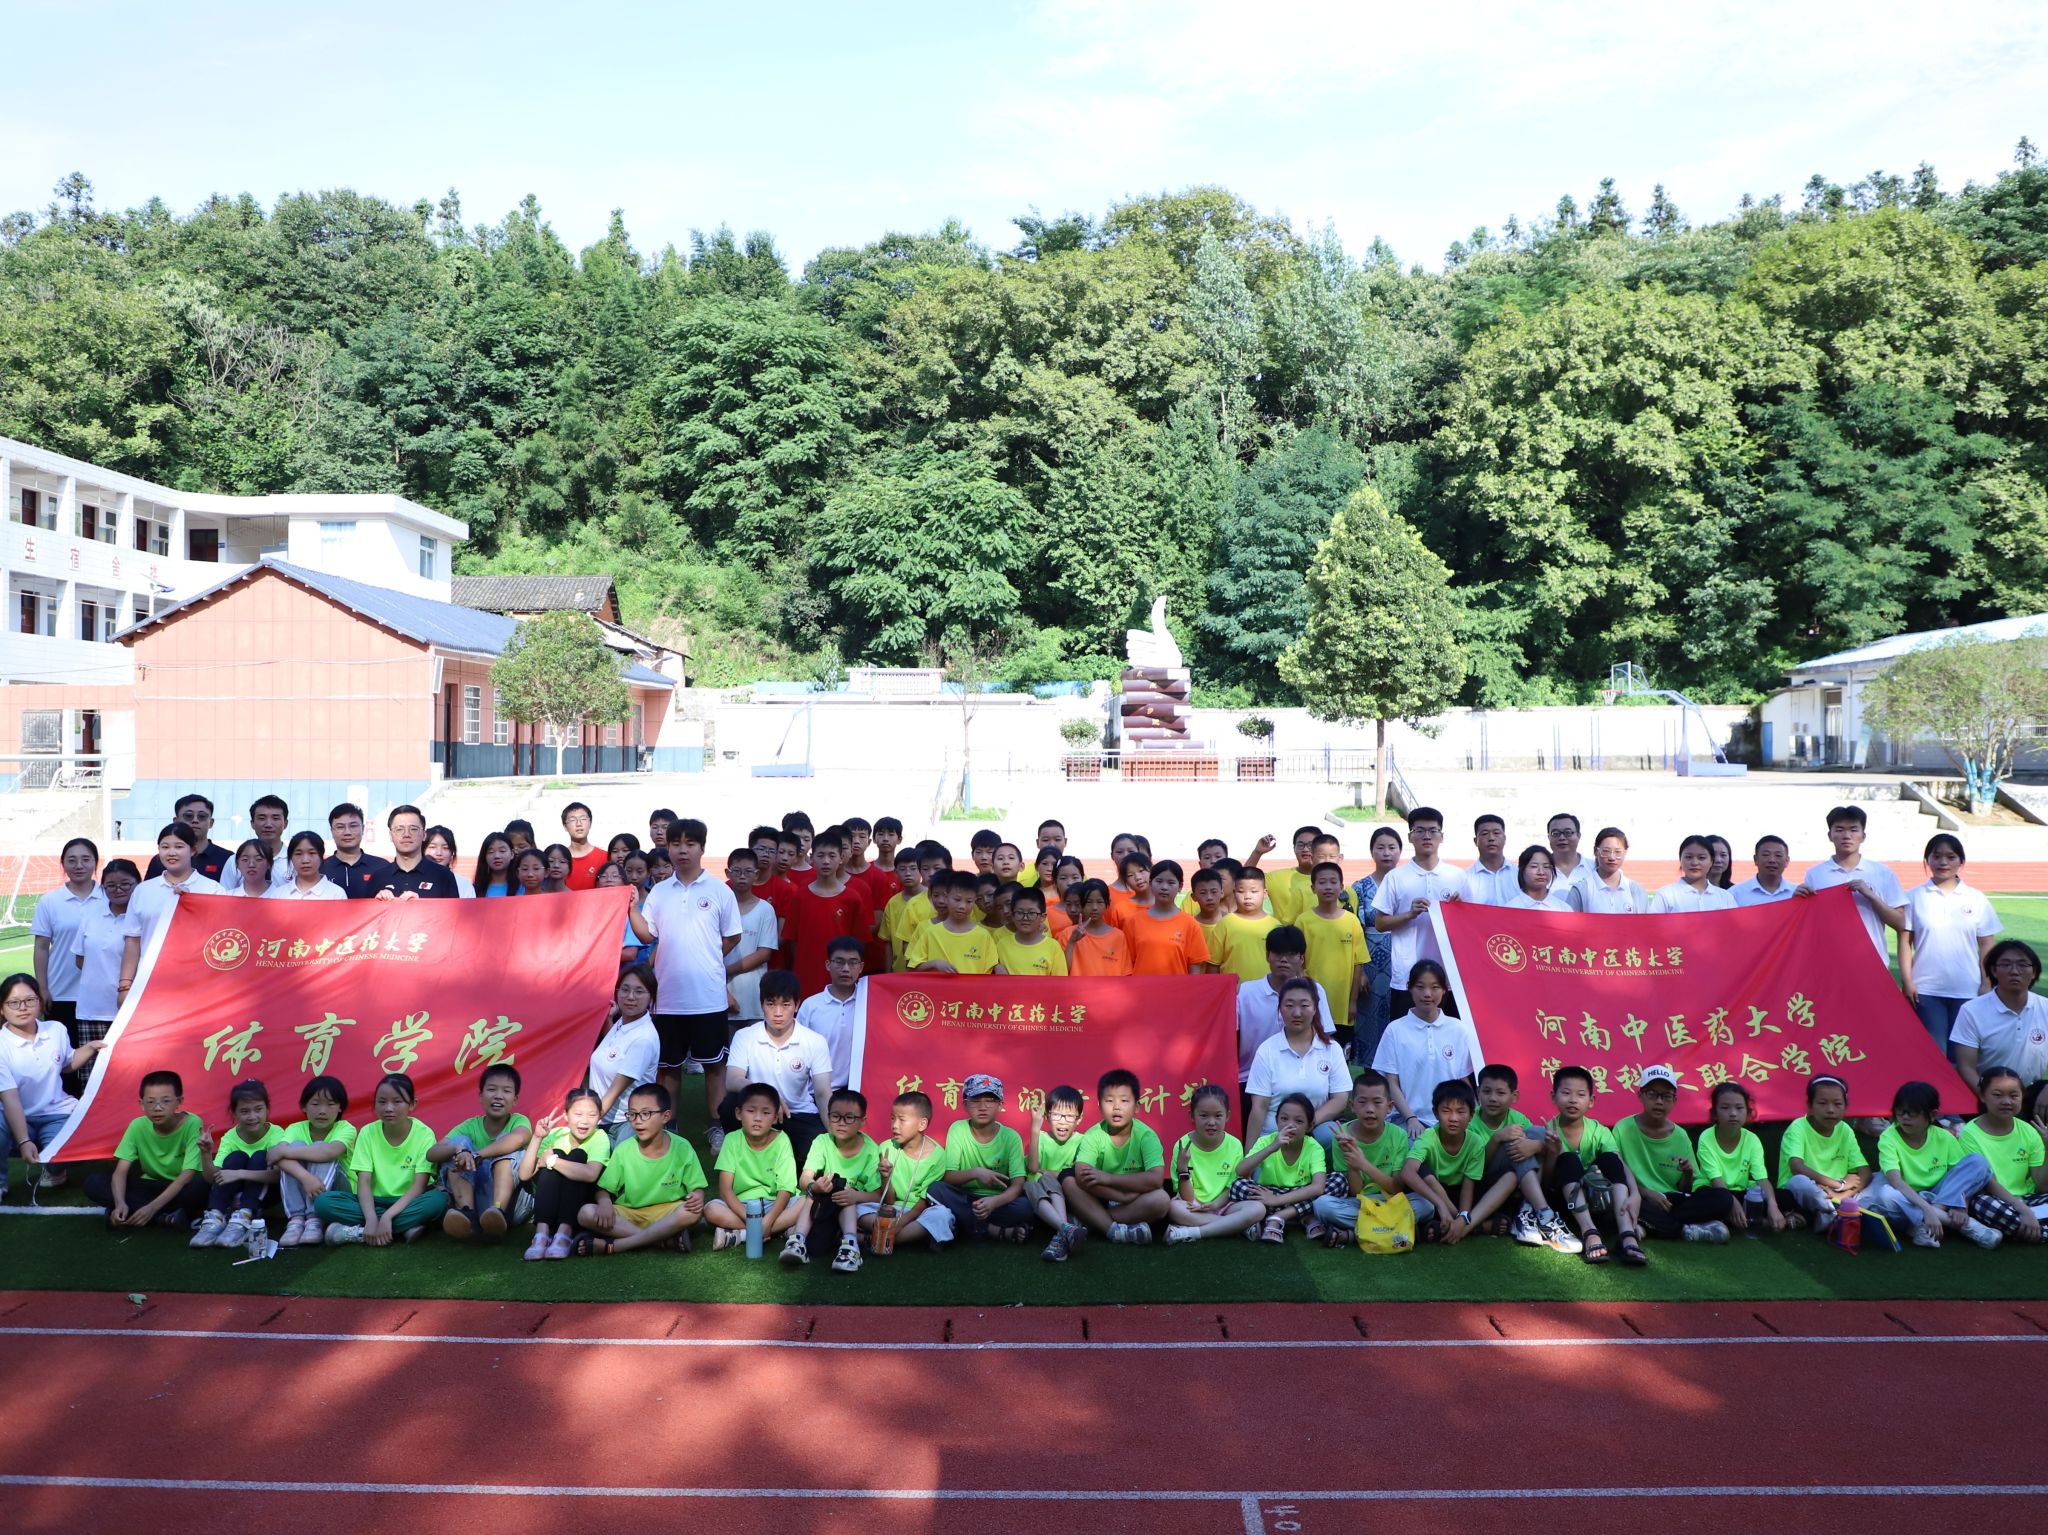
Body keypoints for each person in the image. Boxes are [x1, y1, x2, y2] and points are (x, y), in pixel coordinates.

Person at [629, 818, 743, 1120]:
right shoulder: (659, 892)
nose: (682, 850)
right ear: (667, 848)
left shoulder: (719, 891)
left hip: (708, 998)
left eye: (690, 844)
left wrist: (708, 957)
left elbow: (733, 935)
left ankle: (716, 1126)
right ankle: (669, 1125)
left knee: (715, 1066)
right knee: (668, 1068)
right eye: (676, 844)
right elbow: (647, 935)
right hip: (668, 998)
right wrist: (631, 908)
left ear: (702, 848)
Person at [1858, 1080, 2002, 1249]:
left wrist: (1960, 1206)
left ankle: (1923, 1223)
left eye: (1912, 1113)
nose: (1905, 1117)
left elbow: (1962, 1178)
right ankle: (1965, 1225)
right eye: (1900, 1112)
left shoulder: (1944, 1137)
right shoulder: (1888, 1137)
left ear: (1932, 1115)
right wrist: (1927, 1210)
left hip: (1939, 1195)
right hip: (1906, 1196)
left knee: (1978, 1162)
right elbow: (1896, 1181)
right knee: (1886, 1195)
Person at [0, 972, 105, 1194]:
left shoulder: (56, 1029)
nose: (23, 1007)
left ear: (40, 1001)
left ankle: (55, 1169)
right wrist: (23, 1141)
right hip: (14, 1117)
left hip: (57, 1113)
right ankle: (1, 1182)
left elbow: (66, 1064)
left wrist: (91, 1047)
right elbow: (10, 1098)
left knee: (60, 1158)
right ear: (2, 1008)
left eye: (30, 1000)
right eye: (14, 1002)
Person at [316, 1072, 449, 1246]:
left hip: (409, 1201)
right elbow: (364, 1181)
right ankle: (404, 1227)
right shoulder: (367, 1132)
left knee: (438, 1201)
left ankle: (358, 1233)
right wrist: (371, 1218)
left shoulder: (424, 1134)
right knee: (323, 1203)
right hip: (372, 1201)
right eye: (382, 1102)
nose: (388, 1108)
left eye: (397, 1101)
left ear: (412, 1104)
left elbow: (419, 1186)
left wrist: (387, 1216)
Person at [1899, 834, 2002, 1057]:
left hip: (1967, 988)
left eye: (1951, 856)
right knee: (1933, 1055)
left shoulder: (1975, 898)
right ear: (1927, 860)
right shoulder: (1914, 897)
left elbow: (1987, 944)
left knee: (1962, 1056)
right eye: (1936, 856)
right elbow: (1905, 942)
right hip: (1926, 989)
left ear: (1961, 861)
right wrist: (1907, 981)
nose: (1943, 862)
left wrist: (1986, 982)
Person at [577, 1083, 709, 1255]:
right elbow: (604, 1189)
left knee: (692, 1212)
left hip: (667, 1213)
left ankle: (617, 1245)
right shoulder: (624, 1149)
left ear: (665, 1116)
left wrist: (697, 1197)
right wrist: (604, 1203)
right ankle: (662, 1240)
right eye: (632, 1114)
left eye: (645, 1114)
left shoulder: (682, 1147)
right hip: (630, 1214)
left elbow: (697, 1188)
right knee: (586, 1212)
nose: (638, 1120)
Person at [722, 970, 833, 1165]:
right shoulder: (745, 1036)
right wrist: (769, 1095)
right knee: (729, 1106)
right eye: (771, 1004)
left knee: (814, 1160)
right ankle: (743, 1158)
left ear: (797, 1005)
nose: (778, 1012)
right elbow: (732, 1080)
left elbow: (823, 1092)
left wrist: (832, 1136)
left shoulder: (815, 1041)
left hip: (798, 1113)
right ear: (762, 1005)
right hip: (759, 1111)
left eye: (786, 1004)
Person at [1613, 1066, 1733, 1243]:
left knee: (1723, 1198)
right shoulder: (1622, 1129)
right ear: (1640, 1096)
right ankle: (1685, 1230)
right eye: (1652, 1094)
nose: (1659, 1101)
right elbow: (1615, 1174)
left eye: (1666, 1096)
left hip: (1671, 1202)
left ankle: (1649, 1224)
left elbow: (1685, 1189)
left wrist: (1688, 1173)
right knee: (1618, 1200)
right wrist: (1646, 1193)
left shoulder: (1680, 1136)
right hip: (1639, 1196)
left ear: (1674, 1100)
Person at [1470, 1062, 1579, 1252]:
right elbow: (1477, 1169)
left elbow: (1542, 1155)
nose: (1493, 1098)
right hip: (1485, 1184)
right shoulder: (1471, 1123)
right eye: (1487, 1092)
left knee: (1537, 1133)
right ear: (1478, 1092)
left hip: (1517, 1182)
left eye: (1500, 1093)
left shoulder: (1518, 1118)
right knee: (1514, 1141)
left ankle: (1527, 1212)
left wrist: (1538, 1146)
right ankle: (1544, 1214)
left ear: (1514, 1096)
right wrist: (1496, 1138)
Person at [1543, 1065, 1645, 1265]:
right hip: (1562, 1201)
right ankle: (1590, 1234)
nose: (1573, 1100)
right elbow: (1545, 1183)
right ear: (1553, 1097)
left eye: (1580, 1095)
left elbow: (1619, 1165)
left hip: (1597, 1199)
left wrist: (1636, 1194)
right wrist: (1553, 1153)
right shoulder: (1548, 1131)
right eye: (1566, 1093)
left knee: (1610, 1159)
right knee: (1568, 1160)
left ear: (1591, 1101)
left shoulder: (1599, 1131)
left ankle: (1627, 1235)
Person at [82, 1070, 208, 1229]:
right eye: (150, 1102)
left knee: (201, 1187)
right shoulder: (137, 1125)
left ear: (179, 1102)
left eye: (166, 1101)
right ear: (142, 1104)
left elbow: (186, 1175)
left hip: (180, 1187)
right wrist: (120, 1203)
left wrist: (152, 1207)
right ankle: (164, 1218)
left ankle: (141, 1213)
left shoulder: (193, 1123)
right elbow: (120, 1172)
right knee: (94, 1182)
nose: (157, 1108)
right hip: (150, 1185)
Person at [118, 823, 225, 1002]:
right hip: (150, 983)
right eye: (165, 847)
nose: (171, 852)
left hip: (198, 985)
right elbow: (133, 941)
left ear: (193, 850)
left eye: (179, 846)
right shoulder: (143, 890)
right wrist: (125, 986)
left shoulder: (213, 890)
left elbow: (220, 939)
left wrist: (195, 905)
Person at [1065, 1068, 1171, 1244]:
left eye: (1124, 1100)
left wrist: (1109, 1178)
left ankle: (1092, 1222)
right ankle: (1114, 1230)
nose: (1116, 1107)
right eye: (1109, 1101)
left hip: (1134, 1199)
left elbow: (1156, 1179)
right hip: (1101, 1196)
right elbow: (1082, 1175)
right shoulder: (1093, 1135)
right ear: (1099, 1106)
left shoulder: (1146, 1136)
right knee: (1069, 1182)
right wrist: (1120, 1196)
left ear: (1136, 1106)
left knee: (1162, 1200)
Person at [1371, 807, 1460, 1017]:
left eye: (1433, 831)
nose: (1426, 836)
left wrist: (1459, 910)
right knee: (1407, 1030)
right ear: (1410, 837)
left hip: (1448, 973)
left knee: (1449, 1031)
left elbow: (1472, 924)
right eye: (1420, 831)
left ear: (1442, 836)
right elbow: (1380, 923)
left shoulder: (1457, 876)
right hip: (1406, 974)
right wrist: (1409, 914)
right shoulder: (1396, 877)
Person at [1243, 977, 1351, 1147]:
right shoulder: (1267, 1050)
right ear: (1280, 1009)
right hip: (1274, 1136)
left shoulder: (1331, 1049)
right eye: (1289, 1005)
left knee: (1331, 1135)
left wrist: (1306, 1124)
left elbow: (1340, 1099)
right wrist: (1250, 1154)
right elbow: (1259, 1107)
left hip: (1313, 1131)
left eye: (1304, 1005)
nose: (1297, 1013)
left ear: (1315, 1008)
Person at [430, 1063, 532, 1241]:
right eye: (492, 1089)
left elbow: (518, 1138)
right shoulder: (470, 1125)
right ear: (481, 1096)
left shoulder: (519, 1121)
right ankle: (468, 1215)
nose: (498, 1096)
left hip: (513, 1206)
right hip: (478, 1201)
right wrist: (459, 1150)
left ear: (515, 1099)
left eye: (506, 1091)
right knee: (458, 1145)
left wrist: (477, 1155)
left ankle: (498, 1213)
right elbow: (432, 1153)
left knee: (507, 1146)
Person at [1314, 1071, 1413, 1247]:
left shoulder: (1399, 1135)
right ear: (1352, 1106)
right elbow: (1355, 1192)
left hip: (1390, 1200)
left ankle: (1354, 1234)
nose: (1369, 1109)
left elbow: (1397, 1188)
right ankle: (1394, 1228)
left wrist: (1363, 1164)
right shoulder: (1341, 1135)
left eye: (1377, 1102)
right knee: (1323, 1206)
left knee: (1426, 1205)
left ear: (1389, 1107)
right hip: (1359, 1203)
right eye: (1362, 1102)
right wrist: (1353, 1163)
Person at [787, 1087, 880, 1273]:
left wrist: (855, 1196)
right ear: (828, 1117)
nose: (841, 1123)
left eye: (849, 1118)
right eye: (835, 1116)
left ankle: (851, 1246)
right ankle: (797, 1242)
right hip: (825, 1202)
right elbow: (804, 1179)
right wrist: (814, 1186)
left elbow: (877, 1195)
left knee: (843, 1189)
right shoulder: (822, 1141)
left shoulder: (871, 1150)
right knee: (817, 1246)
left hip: (852, 1205)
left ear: (862, 1122)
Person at [1372, 960, 1471, 1132]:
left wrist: (1472, 1116)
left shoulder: (1459, 1029)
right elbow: (1391, 1082)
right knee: (1415, 1146)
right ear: (1409, 988)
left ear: (1444, 990)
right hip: (1406, 1119)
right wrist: (1411, 1119)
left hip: (1451, 1120)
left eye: (1435, 987)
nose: (1427, 994)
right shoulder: (1395, 1030)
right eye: (1420, 987)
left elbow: (1463, 1079)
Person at [932, 1074, 1034, 1242]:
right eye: (976, 1100)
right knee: (935, 1190)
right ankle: (994, 1231)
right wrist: (976, 1173)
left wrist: (995, 1202)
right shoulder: (958, 1129)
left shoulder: (1011, 1137)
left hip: (997, 1202)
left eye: (990, 1100)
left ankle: (965, 1225)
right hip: (965, 1198)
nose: (983, 1107)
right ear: (965, 1104)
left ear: (1000, 1105)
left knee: (1025, 1207)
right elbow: (948, 1176)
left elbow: (1018, 1184)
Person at [1796, 804, 1905, 960]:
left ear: (1863, 836)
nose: (1847, 836)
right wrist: (1797, 902)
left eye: (1853, 830)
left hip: (1872, 961)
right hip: (1828, 960)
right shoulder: (1815, 874)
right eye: (1839, 830)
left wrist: (1871, 896)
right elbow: (1808, 924)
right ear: (1830, 835)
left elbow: (1901, 923)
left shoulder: (1883, 873)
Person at [780, 824, 875, 997]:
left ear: (841, 858)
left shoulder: (852, 898)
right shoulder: (800, 896)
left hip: (842, 978)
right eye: (820, 855)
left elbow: (860, 942)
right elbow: (793, 941)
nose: (826, 861)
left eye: (832, 856)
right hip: (806, 975)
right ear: (812, 858)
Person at [191, 1077, 284, 1248]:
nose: (252, 1116)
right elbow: (212, 1178)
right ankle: (215, 1218)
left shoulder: (276, 1133)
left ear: (267, 1109)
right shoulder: (230, 1137)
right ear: (234, 1114)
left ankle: (245, 1218)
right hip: (235, 1193)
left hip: (267, 1194)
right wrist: (205, 1154)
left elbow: (279, 1176)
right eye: (245, 1111)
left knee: (260, 1156)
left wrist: (239, 1174)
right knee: (236, 1157)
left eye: (258, 1109)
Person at [707, 1081, 800, 1251]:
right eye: (751, 1111)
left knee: (808, 1203)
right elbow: (725, 1189)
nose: (758, 1118)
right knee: (711, 1210)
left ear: (775, 1117)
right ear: (738, 1113)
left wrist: (769, 1219)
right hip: (742, 1205)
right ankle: (780, 1229)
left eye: (766, 1112)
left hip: (775, 1204)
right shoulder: (732, 1140)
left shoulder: (782, 1140)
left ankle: (741, 1235)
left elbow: (786, 1189)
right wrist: (752, 1220)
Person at [520, 1088, 612, 1261]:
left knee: (577, 1155)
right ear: (566, 1115)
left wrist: (552, 1161)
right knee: (559, 1152)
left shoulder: (600, 1137)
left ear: (599, 1116)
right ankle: (541, 1234)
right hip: (551, 1205)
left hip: (580, 1205)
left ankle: (565, 1233)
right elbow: (524, 1175)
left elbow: (591, 1174)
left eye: (592, 1115)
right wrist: (537, 1137)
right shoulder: (555, 1134)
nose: (584, 1121)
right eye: (578, 1114)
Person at [1164, 1083, 1262, 1244]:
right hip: (1194, 1206)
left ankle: (1193, 1232)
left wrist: (1215, 1204)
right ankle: (1236, 1226)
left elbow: (1232, 1187)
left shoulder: (1234, 1145)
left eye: (1218, 1116)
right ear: (1192, 1116)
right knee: (1174, 1208)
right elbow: (1187, 1197)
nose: (1211, 1122)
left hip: (1226, 1205)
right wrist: (1183, 1169)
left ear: (1227, 1116)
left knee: (1258, 1208)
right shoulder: (1182, 1145)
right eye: (1204, 1116)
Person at [1959, 1066, 2047, 1244]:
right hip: (1994, 1199)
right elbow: (1987, 1182)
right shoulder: (1970, 1133)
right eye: (1997, 1095)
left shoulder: (2029, 1131)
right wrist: (2023, 1210)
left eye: (2014, 1096)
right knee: (1983, 1204)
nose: (2006, 1101)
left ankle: (2030, 1229)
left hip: (2028, 1198)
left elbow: (2042, 1186)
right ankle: (2035, 1229)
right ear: (1983, 1096)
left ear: (2022, 1097)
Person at [1776, 1074, 1872, 1235]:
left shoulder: (1845, 1130)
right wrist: (1839, 1184)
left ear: (1845, 1106)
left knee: (1879, 1179)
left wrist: (1842, 1195)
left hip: (1837, 1193)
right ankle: (1840, 1213)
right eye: (1822, 1103)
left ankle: (1832, 1211)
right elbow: (1796, 1167)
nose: (1830, 1110)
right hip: (1809, 1189)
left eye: (1837, 1104)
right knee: (1799, 1182)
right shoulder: (1798, 1127)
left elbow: (1865, 1172)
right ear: (1810, 1106)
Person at [1231, 1093, 1333, 1243]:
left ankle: (1279, 1216)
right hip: (1270, 1191)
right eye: (1284, 1119)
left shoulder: (1313, 1147)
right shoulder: (1266, 1141)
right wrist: (1272, 1148)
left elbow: (1317, 1188)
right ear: (1276, 1120)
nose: (1290, 1125)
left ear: (1310, 1126)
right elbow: (1240, 1171)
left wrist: (1277, 1200)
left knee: (1338, 1181)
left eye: (1298, 1121)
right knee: (1237, 1185)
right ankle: (1303, 1215)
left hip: (1301, 1192)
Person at [1951, 939, 2048, 1094]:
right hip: (1985, 1095)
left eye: (2022, 964)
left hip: (2033, 1095)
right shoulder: (1971, 1011)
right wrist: (1992, 1098)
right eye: (2006, 964)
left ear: (2034, 972)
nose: (2014, 971)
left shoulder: (2045, 1007)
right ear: (1994, 971)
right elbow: (1966, 1067)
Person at [861, 1091, 951, 1253]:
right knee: (857, 1209)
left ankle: (872, 1238)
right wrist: (885, 1177)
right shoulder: (886, 1148)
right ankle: (906, 1238)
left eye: (902, 1120)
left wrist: (900, 1222)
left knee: (942, 1215)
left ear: (922, 1124)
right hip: (889, 1210)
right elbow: (888, 1200)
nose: (895, 1125)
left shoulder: (938, 1155)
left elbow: (924, 1202)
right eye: (892, 1118)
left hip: (918, 1212)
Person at [65, 857, 138, 1057]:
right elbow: (80, 960)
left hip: (130, 1009)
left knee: (127, 1068)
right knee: (91, 1071)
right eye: (110, 886)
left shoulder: (144, 918)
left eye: (125, 884)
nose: (118, 890)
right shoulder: (91, 915)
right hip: (91, 1009)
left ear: (138, 884)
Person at [270, 1075, 355, 1248]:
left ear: (340, 1107)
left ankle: (315, 1219)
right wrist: (306, 1177)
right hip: (308, 1186)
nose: (322, 1111)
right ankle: (296, 1220)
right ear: (304, 1106)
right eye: (315, 1104)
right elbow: (273, 1157)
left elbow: (330, 1152)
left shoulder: (346, 1128)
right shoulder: (295, 1128)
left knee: (320, 1147)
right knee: (297, 1147)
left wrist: (284, 1151)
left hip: (341, 1191)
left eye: (330, 1104)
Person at [1401, 1080, 1489, 1245]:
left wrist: (1462, 1216)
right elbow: (1407, 1172)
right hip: (1433, 1195)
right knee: (1424, 1173)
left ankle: (1448, 1225)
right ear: (1435, 1113)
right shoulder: (1428, 1137)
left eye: (1460, 1112)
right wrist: (1441, 1204)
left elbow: (1468, 1186)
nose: (1453, 1118)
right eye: (1446, 1111)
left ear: (1471, 1115)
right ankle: (1472, 1226)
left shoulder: (1476, 1142)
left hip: (1458, 1195)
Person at [32, 837, 103, 1036]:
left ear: (95, 862)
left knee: (98, 1053)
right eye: (72, 860)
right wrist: (42, 988)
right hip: (61, 992)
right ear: (63, 864)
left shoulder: (109, 897)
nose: (79, 865)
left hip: (102, 993)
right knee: (62, 1052)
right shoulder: (50, 901)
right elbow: (41, 948)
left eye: (86, 859)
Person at [1694, 1081, 1783, 1235]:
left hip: (1740, 1192)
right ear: (1714, 1113)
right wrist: (1732, 1204)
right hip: (1713, 1191)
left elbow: (1761, 1179)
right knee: (1721, 1200)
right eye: (1725, 1108)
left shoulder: (1752, 1139)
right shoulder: (1706, 1138)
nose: (1733, 1113)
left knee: (1784, 1196)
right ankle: (1753, 1219)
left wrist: (1773, 1206)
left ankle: (1734, 1219)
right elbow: (1716, 1181)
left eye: (1739, 1108)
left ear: (1748, 1112)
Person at [1295, 861, 1366, 1048]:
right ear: (1313, 888)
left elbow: (1358, 963)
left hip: (1342, 1006)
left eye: (1333, 882)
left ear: (1342, 887)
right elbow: (1297, 963)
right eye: (1322, 882)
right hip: (1313, 1003)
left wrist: (1353, 1002)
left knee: (1340, 1053)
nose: (1328, 887)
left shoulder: (1352, 921)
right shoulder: (1303, 921)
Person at [588, 964, 662, 1137]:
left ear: (651, 997)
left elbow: (615, 1091)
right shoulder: (623, 1023)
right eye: (625, 990)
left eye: (639, 991)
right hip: (604, 1117)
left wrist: (587, 1123)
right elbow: (614, 1052)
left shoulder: (643, 1039)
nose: (630, 997)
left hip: (624, 1124)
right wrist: (609, 1019)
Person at [724, 846, 780, 1049]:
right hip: (721, 993)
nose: (742, 876)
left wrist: (724, 970)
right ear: (727, 873)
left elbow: (764, 952)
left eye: (748, 872)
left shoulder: (765, 909)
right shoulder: (719, 907)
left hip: (754, 994)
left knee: (755, 1052)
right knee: (725, 1055)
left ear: (756, 874)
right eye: (737, 871)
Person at [1029, 1085, 1089, 1260]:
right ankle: (1066, 1229)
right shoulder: (1041, 1138)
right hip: (1042, 1197)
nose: (1063, 1121)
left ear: (1079, 1119)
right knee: (1029, 1184)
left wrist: (1048, 1172)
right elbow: (1033, 1168)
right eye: (1056, 1115)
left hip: (1067, 1196)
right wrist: (1034, 1129)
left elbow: (1075, 1174)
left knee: (1047, 1177)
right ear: (1047, 1116)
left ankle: (1062, 1230)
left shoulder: (1083, 1141)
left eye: (1069, 1116)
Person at [798, 937, 864, 1089]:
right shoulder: (811, 1006)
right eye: (839, 962)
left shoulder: (868, 1003)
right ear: (828, 965)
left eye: (852, 963)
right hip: (815, 1091)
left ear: (861, 967)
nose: (846, 969)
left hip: (857, 1091)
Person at [1125, 860, 1212, 976]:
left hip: (1177, 987)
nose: (1164, 887)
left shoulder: (1190, 924)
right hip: (1141, 987)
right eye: (1159, 881)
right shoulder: (1134, 922)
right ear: (1150, 883)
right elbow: (1127, 965)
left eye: (1171, 882)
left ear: (1180, 886)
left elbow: (1194, 969)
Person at [909, 871, 1001, 975]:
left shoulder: (983, 936)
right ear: (946, 896)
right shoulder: (930, 933)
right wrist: (935, 964)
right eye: (957, 899)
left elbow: (992, 972)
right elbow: (913, 968)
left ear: (975, 901)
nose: (962, 906)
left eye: (969, 901)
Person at [371, 806, 460, 900]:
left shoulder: (443, 875)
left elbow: (453, 909)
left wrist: (420, 904)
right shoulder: (378, 877)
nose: (406, 834)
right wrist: (377, 902)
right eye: (399, 829)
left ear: (424, 835)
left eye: (413, 829)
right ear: (390, 835)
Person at [144, 793, 234, 883]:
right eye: (188, 816)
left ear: (211, 822)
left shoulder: (228, 859)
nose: (195, 820)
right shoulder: (160, 861)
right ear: (176, 821)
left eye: (202, 816)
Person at [1215, 866, 1280, 984]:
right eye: (1241, 891)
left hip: (1266, 990)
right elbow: (1213, 964)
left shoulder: (1275, 926)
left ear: (1265, 893)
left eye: (1254, 891)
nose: (1247, 897)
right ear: (1234, 893)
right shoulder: (1225, 923)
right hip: (1233, 990)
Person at [321, 801, 392, 898]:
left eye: (353, 826)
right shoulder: (320, 869)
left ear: (363, 829)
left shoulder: (382, 867)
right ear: (332, 831)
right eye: (340, 827)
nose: (347, 832)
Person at [1649, 836, 1737, 913]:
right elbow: (1653, 924)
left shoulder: (1726, 897)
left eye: (1701, 858)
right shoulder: (1666, 895)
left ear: (1711, 861)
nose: (1694, 862)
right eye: (1688, 857)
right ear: (1680, 860)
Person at [1064, 878, 1132, 977]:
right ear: (1082, 904)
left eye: (1099, 902)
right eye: (1089, 902)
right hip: (1078, 988)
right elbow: (1061, 971)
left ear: (1108, 903)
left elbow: (1126, 974)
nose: (1094, 907)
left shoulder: (1119, 936)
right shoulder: (1068, 934)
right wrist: (1072, 942)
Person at [995, 886, 1068, 976]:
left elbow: (1060, 981)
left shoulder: (1053, 947)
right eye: (1019, 912)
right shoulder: (1002, 945)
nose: (1025, 918)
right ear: (1013, 915)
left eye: (1031, 913)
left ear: (1042, 917)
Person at [1266, 825, 1323, 925]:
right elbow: (1243, 881)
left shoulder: (1330, 883)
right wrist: (1257, 852)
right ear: (1294, 848)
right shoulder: (1275, 878)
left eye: (1310, 845)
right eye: (1300, 845)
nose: (1305, 849)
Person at [266, 831, 345, 901]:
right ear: (291, 858)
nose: (305, 860)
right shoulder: (278, 895)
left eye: (312, 853)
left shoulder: (336, 894)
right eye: (298, 854)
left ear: (321, 856)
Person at [1460, 815, 1517, 907]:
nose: (1491, 838)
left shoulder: (1520, 875)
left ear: (1505, 839)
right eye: (1485, 833)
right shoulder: (1464, 879)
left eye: (1496, 833)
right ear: (1475, 841)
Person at [1731, 836, 1796, 907]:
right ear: (1755, 859)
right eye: (1766, 855)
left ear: (1787, 861)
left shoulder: (1796, 893)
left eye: (1778, 855)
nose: (1772, 860)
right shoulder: (1734, 894)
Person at [1545, 813, 1592, 910]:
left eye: (1568, 832)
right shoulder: (1538, 871)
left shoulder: (1595, 868)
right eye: (1555, 833)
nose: (1562, 838)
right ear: (1548, 837)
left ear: (1578, 835)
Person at [1505, 845, 1572, 911]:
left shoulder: (1564, 909)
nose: (1541, 872)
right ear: (1522, 870)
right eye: (1534, 866)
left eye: (1546, 866)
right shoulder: (1510, 908)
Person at [557, 802, 606, 890]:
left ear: (590, 823)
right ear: (565, 826)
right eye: (572, 820)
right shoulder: (557, 861)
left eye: (583, 819)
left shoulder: (604, 857)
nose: (579, 823)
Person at [424, 826, 475, 897]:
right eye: (432, 847)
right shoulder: (414, 878)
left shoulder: (463, 884)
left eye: (445, 848)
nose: (439, 853)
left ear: (452, 852)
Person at [474, 833, 516, 898]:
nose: (497, 856)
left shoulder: (524, 887)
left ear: (512, 854)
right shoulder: (473, 890)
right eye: (491, 852)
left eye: (502, 851)